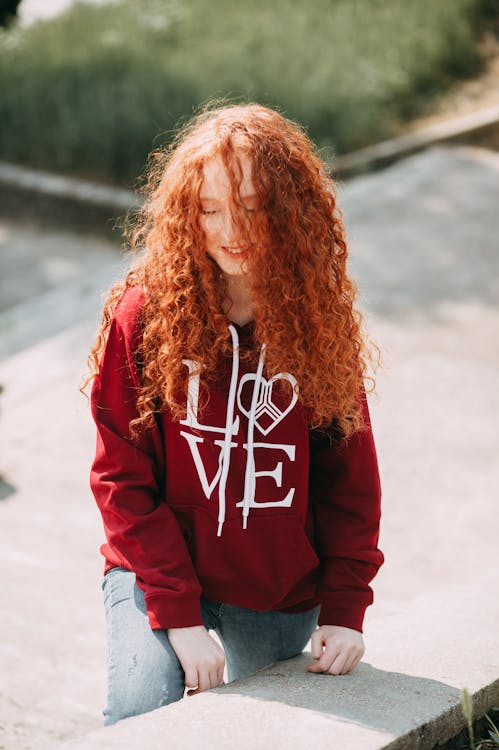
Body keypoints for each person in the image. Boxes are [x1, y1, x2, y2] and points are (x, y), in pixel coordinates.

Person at [85, 102, 384, 726]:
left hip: (274, 591)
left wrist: (344, 609)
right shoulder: (146, 316)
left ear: (288, 212)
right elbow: (122, 479)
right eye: (210, 208)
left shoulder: (316, 325)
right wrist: (178, 613)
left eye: (251, 207)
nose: (231, 229)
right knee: (139, 712)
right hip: (156, 572)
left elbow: (349, 484)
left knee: (256, 732)